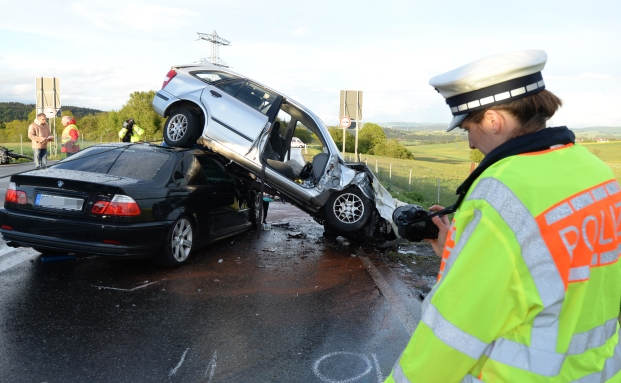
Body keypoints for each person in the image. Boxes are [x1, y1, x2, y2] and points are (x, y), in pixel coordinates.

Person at [386, 50, 621, 382]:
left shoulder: (500, 194)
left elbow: (453, 330)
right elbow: (558, 272)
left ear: (494, 120)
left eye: (469, 127)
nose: (469, 142)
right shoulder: (598, 174)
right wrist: (462, 252)